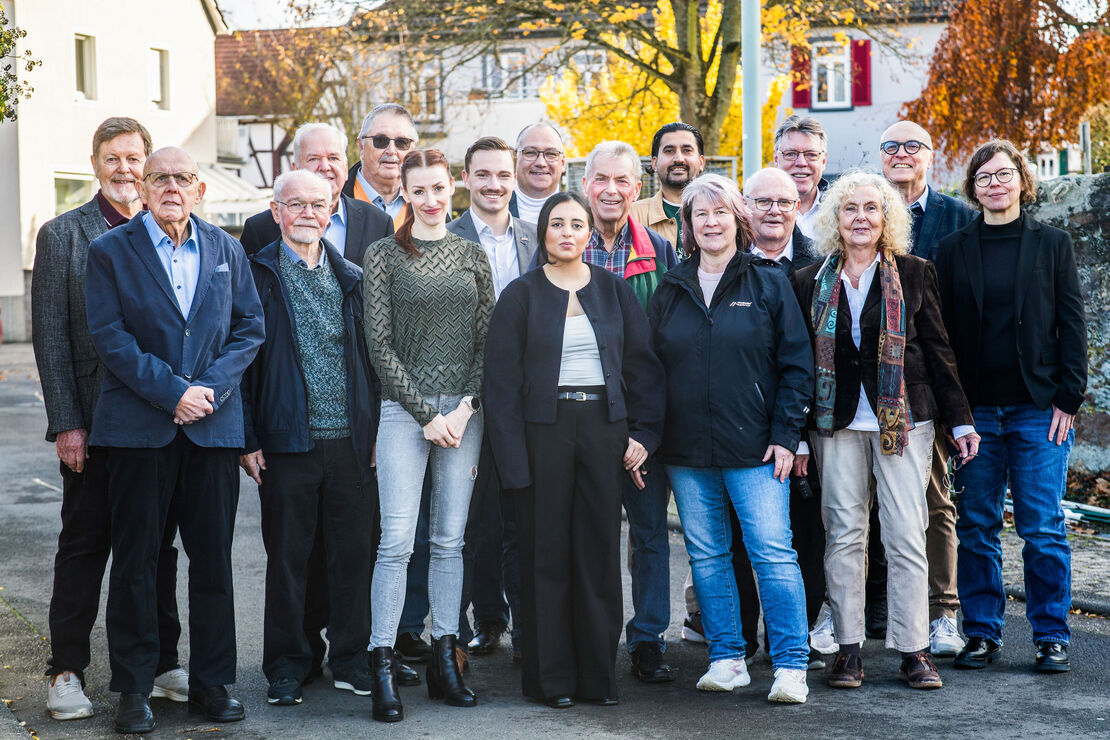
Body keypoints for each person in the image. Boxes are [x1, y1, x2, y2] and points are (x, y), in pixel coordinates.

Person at [84, 147, 264, 733]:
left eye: (183, 179)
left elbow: (248, 328)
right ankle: (133, 688)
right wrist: (172, 393)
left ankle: (212, 683)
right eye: (159, 178)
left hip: (212, 428)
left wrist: (206, 388)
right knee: (137, 561)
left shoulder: (225, 249)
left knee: (212, 561)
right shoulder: (109, 252)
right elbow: (110, 339)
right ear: (143, 187)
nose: (171, 188)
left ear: (200, 189)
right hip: (139, 432)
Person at [791, 171, 979, 692]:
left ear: (887, 218)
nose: (861, 218)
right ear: (835, 219)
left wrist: (959, 418)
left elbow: (939, 352)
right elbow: (800, 362)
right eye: (850, 209)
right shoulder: (808, 279)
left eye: (872, 209)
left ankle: (913, 648)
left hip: (906, 420)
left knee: (905, 534)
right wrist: (799, 431)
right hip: (835, 423)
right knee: (844, 534)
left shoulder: (916, 274)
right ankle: (848, 650)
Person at [484, 191, 665, 708]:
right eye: (556, 223)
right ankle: (552, 681)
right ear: (542, 233)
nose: (567, 232)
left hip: (604, 431)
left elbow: (644, 369)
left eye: (577, 224)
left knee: (597, 555)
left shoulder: (613, 291)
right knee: (545, 557)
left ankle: (596, 679)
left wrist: (643, 436)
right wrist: (514, 464)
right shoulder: (520, 295)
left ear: (590, 234)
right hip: (543, 432)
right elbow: (500, 386)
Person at [31, 117, 186, 721]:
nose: (125, 170)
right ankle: (66, 669)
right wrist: (67, 423)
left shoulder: (168, 232)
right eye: (113, 159)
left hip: (158, 425)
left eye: (134, 160)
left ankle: (163, 661)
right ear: (95, 164)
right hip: (93, 426)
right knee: (84, 545)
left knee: (156, 550)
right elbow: (49, 337)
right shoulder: (64, 235)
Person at [649, 173, 814, 703]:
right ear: (689, 226)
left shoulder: (768, 282)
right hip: (687, 451)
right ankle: (727, 658)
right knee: (708, 555)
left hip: (757, 450)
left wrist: (787, 436)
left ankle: (791, 665)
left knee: (772, 554)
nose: (711, 222)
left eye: (721, 213)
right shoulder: (671, 289)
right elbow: (649, 371)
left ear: (738, 221)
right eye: (701, 214)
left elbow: (797, 366)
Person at [935, 140, 1087, 673]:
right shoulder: (954, 249)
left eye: (1004, 175)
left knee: (1041, 525)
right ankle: (981, 632)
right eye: (983, 178)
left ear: (1023, 180)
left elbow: (1072, 325)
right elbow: (943, 336)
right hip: (976, 415)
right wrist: (954, 411)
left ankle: (1051, 635)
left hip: (1038, 409)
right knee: (976, 525)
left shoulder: (1052, 244)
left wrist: (1069, 396)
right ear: (973, 189)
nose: (994, 184)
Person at [362, 148, 494, 723]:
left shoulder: (472, 255)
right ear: (407, 194)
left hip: (465, 413)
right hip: (402, 411)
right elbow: (379, 345)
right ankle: (383, 663)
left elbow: (487, 341)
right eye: (420, 191)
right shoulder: (383, 256)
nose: (432, 199)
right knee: (396, 541)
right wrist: (425, 413)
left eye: (440, 188)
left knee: (449, 540)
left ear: (453, 188)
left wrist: (464, 408)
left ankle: (446, 656)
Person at [239, 170, 381, 707]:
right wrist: (248, 437)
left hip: (349, 443)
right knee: (289, 559)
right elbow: (242, 367)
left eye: (317, 205)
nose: (306, 213)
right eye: (294, 204)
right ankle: (287, 664)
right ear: (275, 212)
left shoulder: (353, 276)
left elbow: (371, 362)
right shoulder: (254, 276)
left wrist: (373, 433)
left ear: (331, 211)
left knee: (352, 557)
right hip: (285, 443)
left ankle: (348, 657)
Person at [579, 140, 679, 683]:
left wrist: (645, 431)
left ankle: (647, 641)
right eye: (601, 179)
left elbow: (663, 354)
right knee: (588, 534)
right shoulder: (564, 246)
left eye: (622, 181)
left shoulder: (661, 256)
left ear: (636, 188)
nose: (611, 190)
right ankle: (592, 637)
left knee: (647, 535)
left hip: (641, 425)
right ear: (586, 183)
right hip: (582, 421)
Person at [879, 120, 978, 657]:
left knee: (936, 501)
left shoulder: (958, 218)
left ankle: (943, 612)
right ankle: (880, 614)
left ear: (930, 157)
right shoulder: (863, 207)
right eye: (891, 146)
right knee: (867, 508)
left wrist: (954, 397)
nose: (901, 154)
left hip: (933, 386)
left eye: (912, 146)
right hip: (870, 388)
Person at [448, 137, 538, 662]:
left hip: (527, 401)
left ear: (514, 177)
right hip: (466, 400)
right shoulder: (447, 236)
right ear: (466, 177)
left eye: (502, 174)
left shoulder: (535, 238)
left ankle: (527, 626)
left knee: (521, 515)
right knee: (470, 521)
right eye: (482, 174)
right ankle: (480, 623)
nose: (494, 184)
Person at [241, 122, 393, 266]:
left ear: (345, 168)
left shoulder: (378, 224)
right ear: (295, 169)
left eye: (333, 158)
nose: (325, 167)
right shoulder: (259, 229)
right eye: (314, 159)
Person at [630, 122, 706, 250]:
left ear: (701, 162)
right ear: (654, 163)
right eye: (669, 151)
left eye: (687, 150)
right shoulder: (632, 216)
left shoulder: (722, 215)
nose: (678, 159)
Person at [344, 104, 419, 225]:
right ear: (361, 147)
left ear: (412, 150)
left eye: (402, 142)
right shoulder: (333, 202)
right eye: (380, 141)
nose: (391, 150)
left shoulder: (428, 204)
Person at [772, 115, 829, 240]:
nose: (801, 162)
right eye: (791, 154)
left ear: (823, 161)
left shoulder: (841, 210)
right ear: (776, 159)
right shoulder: (755, 213)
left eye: (811, 154)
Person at [510, 122, 566, 223]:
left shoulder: (582, 214)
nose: (541, 163)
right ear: (515, 160)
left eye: (551, 154)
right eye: (530, 153)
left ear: (562, 163)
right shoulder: (492, 213)